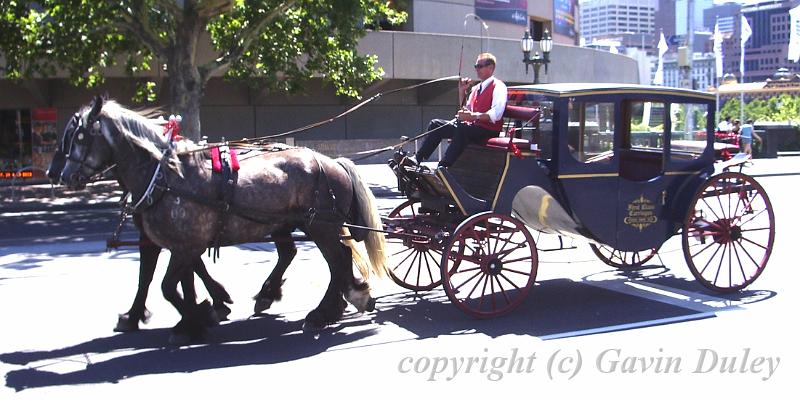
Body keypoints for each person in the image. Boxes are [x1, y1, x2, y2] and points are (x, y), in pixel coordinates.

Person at [413, 52, 507, 168]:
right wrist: (462, 91)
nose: (477, 69)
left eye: (480, 66)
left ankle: (444, 166)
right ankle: (417, 159)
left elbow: (496, 114)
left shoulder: (498, 86)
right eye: (475, 66)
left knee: (463, 129)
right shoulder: (476, 88)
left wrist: (473, 116)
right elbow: (466, 110)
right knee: (436, 124)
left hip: (487, 130)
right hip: (472, 128)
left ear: (491, 67)